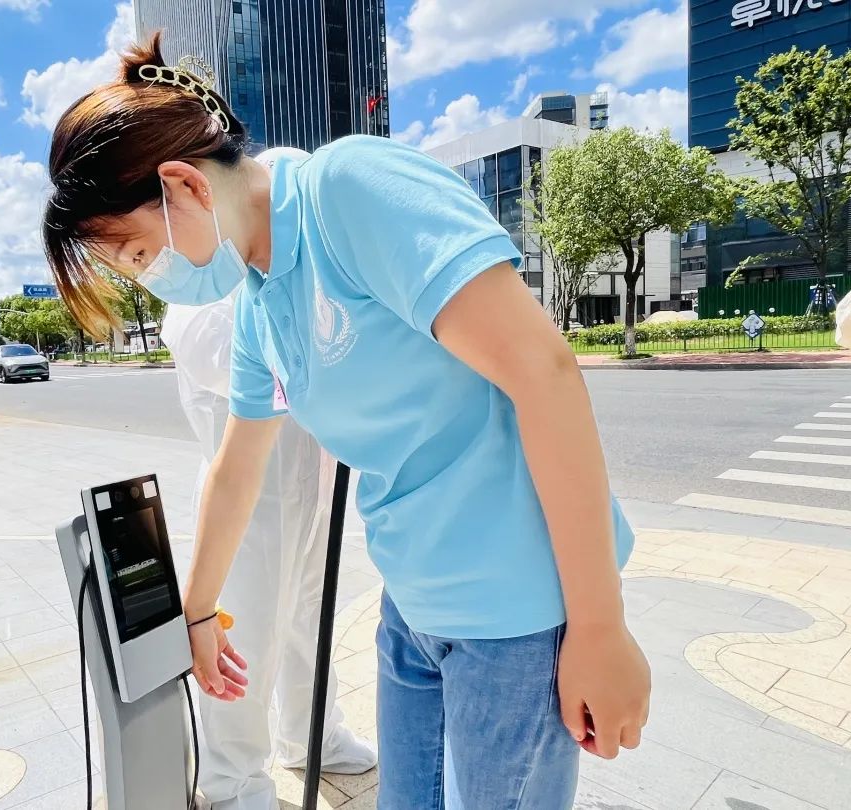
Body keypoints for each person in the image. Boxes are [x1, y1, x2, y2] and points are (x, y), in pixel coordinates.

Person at [42, 35, 651, 810]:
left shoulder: (348, 190)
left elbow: (546, 375)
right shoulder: (259, 305)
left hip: (517, 614)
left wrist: (599, 628)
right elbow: (237, 467)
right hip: (415, 609)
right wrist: (198, 613)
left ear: (183, 185)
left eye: (136, 255)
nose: (149, 278)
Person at [160, 219, 376, 807]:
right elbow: (226, 360)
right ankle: (232, 781)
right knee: (247, 632)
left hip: (312, 473)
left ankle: (312, 734)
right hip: (249, 497)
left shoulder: (277, 248)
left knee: (310, 617)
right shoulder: (198, 281)